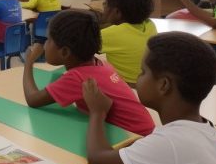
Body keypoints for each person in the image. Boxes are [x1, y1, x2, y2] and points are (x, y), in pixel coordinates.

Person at [83, 32, 216, 164]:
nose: (138, 77)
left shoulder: (169, 144)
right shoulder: (209, 130)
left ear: (163, 85)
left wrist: (98, 112)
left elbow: (98, 157)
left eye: (143, 72)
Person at [22, 10, 155, 136]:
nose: (45, 45)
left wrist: (29, 61)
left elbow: (33, 100)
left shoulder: (77, 77)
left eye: (48, 39)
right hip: (147, 131)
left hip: (135, 138)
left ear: (65, 52)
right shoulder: (101, 64)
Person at [100, 0, 157, 86]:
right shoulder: (150, 25)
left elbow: (76, 48)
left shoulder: (110, 34)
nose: (103, 5)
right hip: (146, 86)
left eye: (105, 2)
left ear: (117, 12)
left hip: (122, 87)